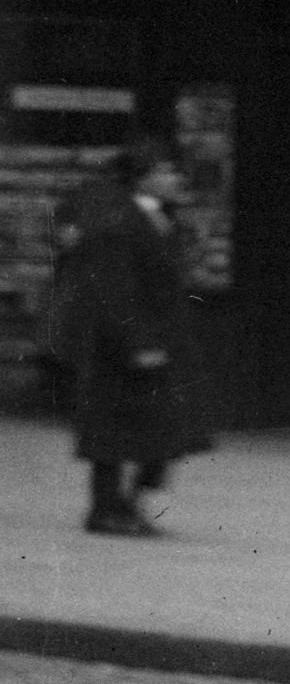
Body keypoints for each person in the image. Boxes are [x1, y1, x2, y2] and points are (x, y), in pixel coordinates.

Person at [43, 150, 200, 537]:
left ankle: (126, 504)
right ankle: (106, 509)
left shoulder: (162, 217)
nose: (175, 177)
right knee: (112, 431)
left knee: (157, 429)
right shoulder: (120, 222)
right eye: (166, 169)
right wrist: (137, 341)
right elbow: (114, 289)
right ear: (142, 179)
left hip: (153, 336)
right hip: (120, 342)